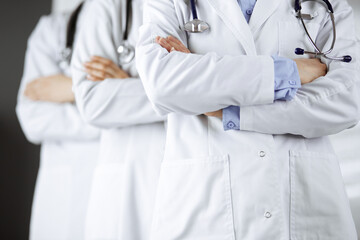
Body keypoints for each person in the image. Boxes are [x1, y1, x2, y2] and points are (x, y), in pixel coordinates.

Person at [136, 0, 360, 239]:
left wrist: (231, 110)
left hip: (304, 198)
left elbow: (347, 100)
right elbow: (163, 84)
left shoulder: (325, 4)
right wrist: (287, 72)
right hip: (204, 202)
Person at [71, 0, 166, 239]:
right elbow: (93, 102)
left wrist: (128, 86)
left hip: (193, 176)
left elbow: (219, 87)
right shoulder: (108, 6)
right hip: (126, 184)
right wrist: (185, 92)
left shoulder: (209, 7)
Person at [16, 2, 100, 240]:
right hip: (65, 200)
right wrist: (111, 100)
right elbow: (35, 118)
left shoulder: (149, 23)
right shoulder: (53, 30)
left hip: (131, 180)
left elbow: (158, 103)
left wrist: (73, 90)